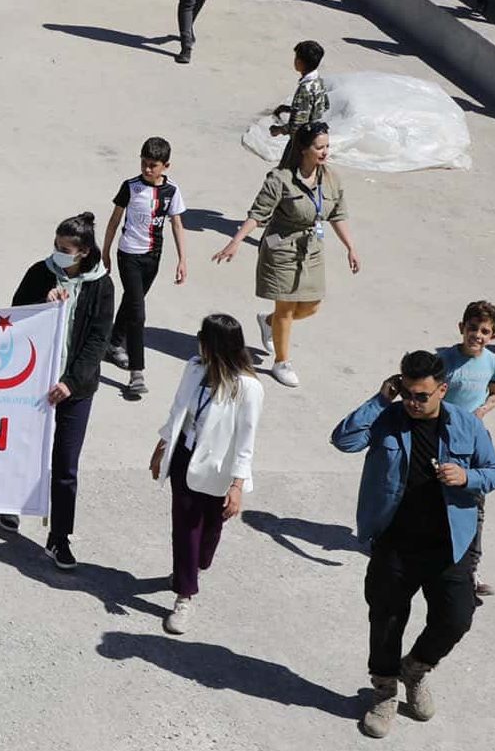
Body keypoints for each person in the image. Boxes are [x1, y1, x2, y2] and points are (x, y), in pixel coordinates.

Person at [332, 350, 495, 740]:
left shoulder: (467, 425)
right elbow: (343, 440)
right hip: (395, 542)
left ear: (442, 390)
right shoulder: (388, 419)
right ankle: (385, 690)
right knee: (387, 618)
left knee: (456, 618)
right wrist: (380, 400)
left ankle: (416, 668)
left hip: (449, 544)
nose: (412, 401)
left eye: (421, 395)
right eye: (407, 392)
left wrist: (467, 476)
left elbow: (494, 472)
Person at [213, 122, 360, 388]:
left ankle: (269, 322)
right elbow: (257, 214)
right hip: (280, 248)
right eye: (319, 147)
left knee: (311, 305)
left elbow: (337, 214)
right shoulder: (279, 179)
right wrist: (235, 242)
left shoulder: (331, 179)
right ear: (304, 149)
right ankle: (281, 361)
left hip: (311, 248)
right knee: (286, 306)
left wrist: (351, 247)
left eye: (327, 146)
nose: (325, 152)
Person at [10, 212, 113, 570]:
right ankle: (11, 506)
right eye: (56, 246)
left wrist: (70, 382)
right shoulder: (41, 273)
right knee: (21, 450)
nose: (58, 253)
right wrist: (43, 303)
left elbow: (98, 340)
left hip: (75, 390)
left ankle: (59, 538)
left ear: (83, 252)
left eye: (65, 249)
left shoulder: (101, 285)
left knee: (65, 466)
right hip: (33, 383)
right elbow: (13, 316)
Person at [151, 313, 261, 635]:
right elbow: (178, 410)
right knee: (186, 528)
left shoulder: (248, 389)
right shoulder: (194, 369)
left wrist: (238, 485)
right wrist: (162, 446)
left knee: (209, 532)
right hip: (185, 456)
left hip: (219, 470)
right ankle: (184, 595)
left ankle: (194, 566)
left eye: (202, 336)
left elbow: (246, 441)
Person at [102, 137, 187, 401]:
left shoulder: (171, 191)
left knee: (131, 302)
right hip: (128, 255)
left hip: (153, 258)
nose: (147, 169)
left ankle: (113, 344)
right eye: (144, 163)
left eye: (153, 165)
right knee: (138, 314)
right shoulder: (130, 187)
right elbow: (115, 220)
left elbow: (176, 225)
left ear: (166, 166)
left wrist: (182, 259)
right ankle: (136, 374)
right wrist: (104, 252)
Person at [436, 300, 495, 598]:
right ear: (461, 328)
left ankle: (469, 569)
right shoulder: (444, 360)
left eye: (485, 331)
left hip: (473, 438)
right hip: (440, 437)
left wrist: (483, 411)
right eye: (473, 328)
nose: (477, 335)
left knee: (474, 503)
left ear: (493, 336)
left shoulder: (493, 362)